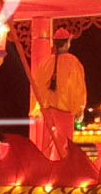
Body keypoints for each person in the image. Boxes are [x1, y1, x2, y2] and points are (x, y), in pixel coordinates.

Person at [28, 28, 86, 160]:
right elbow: (78, 87)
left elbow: (36, 87)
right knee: (65, 146)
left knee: (46, 145)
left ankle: (45, 168)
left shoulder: (45, 63)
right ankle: (62, 169)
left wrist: (35, 108)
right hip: (64, 110)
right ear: (67, 43)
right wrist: (79, 109)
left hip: (47, 110)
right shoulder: (73, 62)